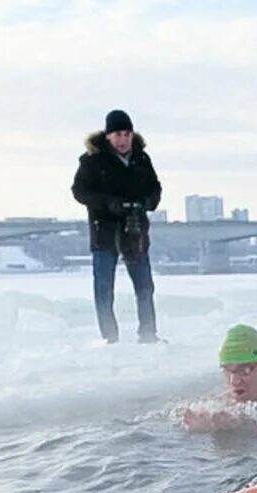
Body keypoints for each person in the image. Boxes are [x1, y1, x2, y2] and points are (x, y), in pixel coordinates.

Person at [72, 109, 163, 344]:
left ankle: (149, 334)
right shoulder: (92, 160)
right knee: (104, 289)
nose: (123, 140)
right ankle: (109, 338)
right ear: (108, 136)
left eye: (126, 134)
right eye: (118, 135)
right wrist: (108, 203)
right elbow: (79, 191)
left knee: (145, 287)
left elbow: (155, 189)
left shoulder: (142, 159)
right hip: (105, 231)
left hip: (135, 231)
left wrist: (145, 203)